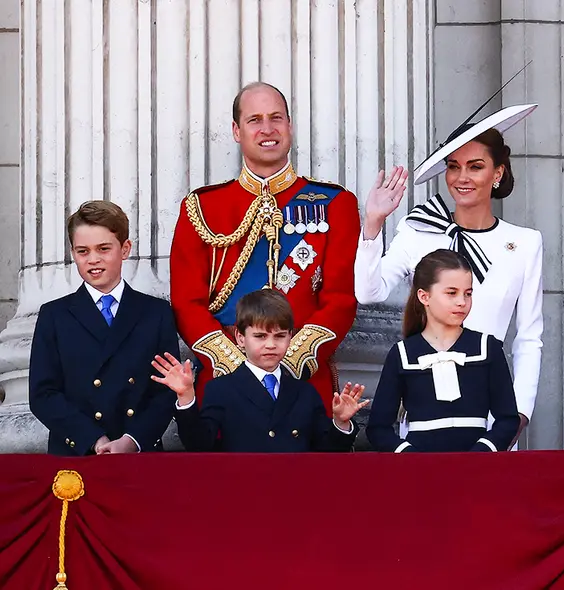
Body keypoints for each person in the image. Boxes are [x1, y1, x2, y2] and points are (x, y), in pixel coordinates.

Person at [355, 102, 542, 447]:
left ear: (498, 173)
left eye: (476, 166)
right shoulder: (418, 230)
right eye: (453, 167)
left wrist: (519, 414)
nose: (462, 178)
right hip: (427, 420)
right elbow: (369, 292)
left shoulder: (525, 243)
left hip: (494, 418)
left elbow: (528, 336)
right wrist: (373, 223)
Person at [169, 81, 360, 415]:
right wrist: (234, 366)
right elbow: (186, 303)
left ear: (290, 126)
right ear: (236, 131)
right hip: (224, 384)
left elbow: (341, 299)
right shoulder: (201, 207)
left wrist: (291, 361)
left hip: (303, 385)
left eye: (276, 118)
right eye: (254, 120)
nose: (267, 129)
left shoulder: (335, 204)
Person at [29, 201, 179, 455]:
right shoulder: (54, 315)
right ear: (73, 253)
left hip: (140, 455)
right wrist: (94, 439)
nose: (93, 260)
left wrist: (132, 440)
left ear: (125, 249)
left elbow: (166, 391)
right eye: (83, 251)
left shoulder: (156, 313)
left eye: (103, 248)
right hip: (78, 454)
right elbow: (43, 394)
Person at [154, 289, 366, 452]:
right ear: (240, 337)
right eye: (260, 336)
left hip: (295, 495)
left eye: (280, 336)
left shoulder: (305, 393)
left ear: (291, 336)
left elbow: (327, 453)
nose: (271, 345)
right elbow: (199, 445)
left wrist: (341, 423)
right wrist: (186, 398)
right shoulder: (221, 389)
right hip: (241, 494)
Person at [367, 249, 520, 452]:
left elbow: (508, 419)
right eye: (451, 293)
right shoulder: (402, 354)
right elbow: (378, 428)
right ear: (424, 296)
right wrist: (411, 456)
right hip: (422, 473)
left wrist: (481, 453)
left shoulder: (487, 348)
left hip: (478, 472)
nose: (461, 302)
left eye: (468, 293)